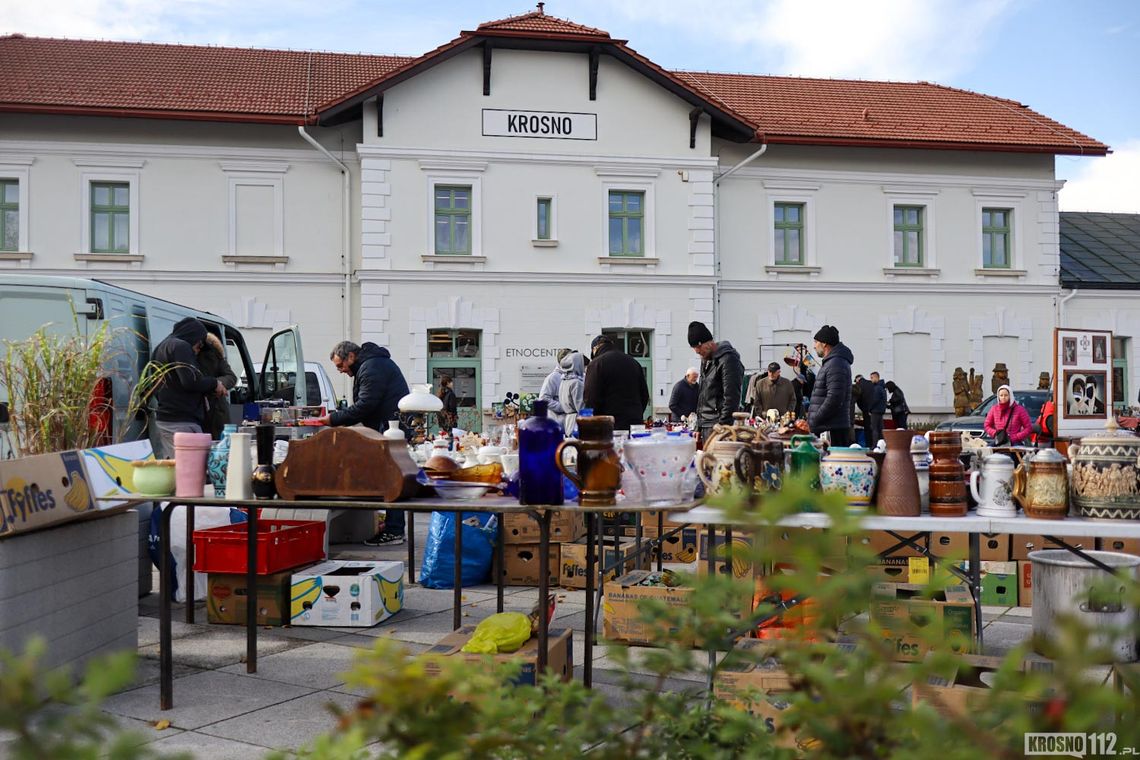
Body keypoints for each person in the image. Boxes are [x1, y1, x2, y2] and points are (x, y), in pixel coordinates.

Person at [318, 340, 411, 546]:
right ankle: (390, 524)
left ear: (351, 357)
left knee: (391, 478)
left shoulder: (371, 367)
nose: (341, 371)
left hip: (392, 429)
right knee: (389, 476)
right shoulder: (371, 364)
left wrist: (333, 420)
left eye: (340, 365)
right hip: (388, 427)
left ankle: (395, 530)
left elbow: (366, 405)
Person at [152, 317, 226, 458]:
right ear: (194, 338)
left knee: (175, 467)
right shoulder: (181, 346)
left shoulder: (161, 347)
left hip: (165, 418)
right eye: (199, 345)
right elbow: (191, 381)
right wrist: (215, 384)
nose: (197, 352)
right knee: (192, 468)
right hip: (182, 421)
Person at [688, 320, 744, 443]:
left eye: (699, 347)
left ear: (707, 342)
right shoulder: (706, 359)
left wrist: (722, 428)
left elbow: (731, 397)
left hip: (718, 426)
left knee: (719, 462)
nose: (697, 352)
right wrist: (699, 425)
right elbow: (702, 395)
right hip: (707, 426)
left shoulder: (728, 359)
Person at [582, 335, 650, 431]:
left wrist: (593, 420)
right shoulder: (633, 362)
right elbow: (644, 394)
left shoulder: (596, 364)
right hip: (634, 423)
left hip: (608, 424)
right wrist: (636, 413)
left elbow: (590, 398)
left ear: (595, 349)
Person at [807, 325, 854, 446]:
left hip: (832, 430)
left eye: (816, 342)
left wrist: (814, 420)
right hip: (829, 427)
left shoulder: (836, 363)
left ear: (824, 344)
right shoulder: (833, 362)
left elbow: (834, 399)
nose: (814, 345)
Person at [196, 331, 238, 439]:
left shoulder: (214, 354)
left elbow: (231, 377)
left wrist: (216, 384)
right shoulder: (187, 354)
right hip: (197, 409)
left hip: (216, 409)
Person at [538, 348, 573, 427]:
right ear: (563, 361)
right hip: (557, 422)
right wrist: (563, 407)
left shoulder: (573, 376)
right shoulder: (553, 377)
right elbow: (543, 399)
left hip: (570, 422)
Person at [558, 351, 586, 436]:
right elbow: (581, 407)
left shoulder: (564, 380)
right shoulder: (577, 383)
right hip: (576, 423)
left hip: (567, 421)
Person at [866, 371, 887, 446]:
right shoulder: (882, 387)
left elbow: (874, 400)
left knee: (874, 428)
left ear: (876, 377)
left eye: (872, 378)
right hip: (881, 411)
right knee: (880, 429)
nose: (871, 380)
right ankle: (882, 445)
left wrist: (869, 409)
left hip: (875, 411)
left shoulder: (877, 388)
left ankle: (874, 445)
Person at [851, 374, 873, 445]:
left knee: (867, 428)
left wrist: (863, 409)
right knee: (875, 428)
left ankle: (869, 444)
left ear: (857, 379)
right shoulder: (871, 383)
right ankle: (875, 444)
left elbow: (858, 400)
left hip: (866, 410)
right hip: (874, 410)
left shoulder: (858, 386)